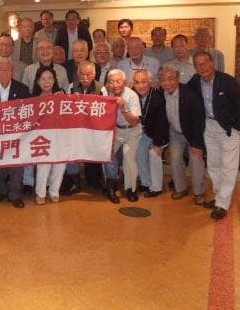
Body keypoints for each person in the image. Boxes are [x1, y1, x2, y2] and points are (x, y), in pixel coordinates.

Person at [188, 52, 240, 220]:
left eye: (205, 62)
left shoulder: (228, 81)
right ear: (195, 68)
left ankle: (222, 204)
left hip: (227, 128)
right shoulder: (195, 81)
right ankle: (219, 196)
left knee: (228, 166)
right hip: (209, 126)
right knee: (213, 164)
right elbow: (184, 92)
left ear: (212, 63)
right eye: (198, 64)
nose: (203, 67)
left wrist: (235, 127)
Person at [0, 58, 30, 209]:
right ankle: (2, 191)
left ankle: (15, 195)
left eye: (7, 69)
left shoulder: (22, 89)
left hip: (16, 135)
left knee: (17, 164)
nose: (4, 72)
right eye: (1, 69)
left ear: (12, 72)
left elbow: (28, 112)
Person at [160, 64, 206, 204]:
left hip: (192, 133)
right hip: (175, 132)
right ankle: (181, 188)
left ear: (178, 78)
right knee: (175, 159)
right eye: (163, 79)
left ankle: (199, 192)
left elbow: (199, 121)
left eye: (171, 79)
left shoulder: (189, 94)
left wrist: (197, 144)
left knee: (195, 160)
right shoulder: (161, 93)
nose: (167, 83)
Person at [102, 69, 142, 203]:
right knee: (107, 155)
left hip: (132, 131)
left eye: (118, 81)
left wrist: (123, 108)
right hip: (116, 130)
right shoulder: (105, 92)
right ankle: (110, 187)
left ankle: (131, 189)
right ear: (108, 83)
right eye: (111, 82)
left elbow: (135, 121)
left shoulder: (131, 95)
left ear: (124, 82)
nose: (115, 85)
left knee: (129, 159)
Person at [65, 60, 105, 193]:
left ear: (94, 75)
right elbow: (65, 108)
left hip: (94, 129)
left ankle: (94, 181)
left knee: (92, 153)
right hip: (75, 128)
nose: (85, 77)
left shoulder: (101, 88)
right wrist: (72, 100)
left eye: (88, 74)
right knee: (72, 153)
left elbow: (105, 110)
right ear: (77, 74)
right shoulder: (71, 87)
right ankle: (75, 181)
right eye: (81, 74)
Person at [31, 66, 66, 204]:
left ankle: (54, 191)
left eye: (50, 78)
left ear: (54, 80)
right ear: (37, 82)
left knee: (60, 164)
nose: (46, 82)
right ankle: (40, 193)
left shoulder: (62, 96)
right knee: (43, 165)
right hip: (41, 137)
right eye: (43, 79)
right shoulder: (33, 99)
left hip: (60, 136)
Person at [133, 69, 168, 197]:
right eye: (137, 82)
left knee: (153, 153)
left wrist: (157, 143)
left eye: (144, 82)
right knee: (139, 152)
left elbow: (162, 122)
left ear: (150, 82)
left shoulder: (158, 97)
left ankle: (156, 187)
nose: (140, 86)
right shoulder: (133, 95)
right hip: (144, 133)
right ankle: (146, 183)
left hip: (160, 134)